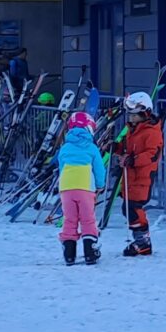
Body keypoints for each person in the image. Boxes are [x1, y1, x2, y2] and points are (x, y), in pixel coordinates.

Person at [114, 92, 163, 257]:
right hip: (130, 177)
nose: (131, 118)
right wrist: (116, 148)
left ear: (144, 113)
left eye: (134, 115)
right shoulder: (133, 130)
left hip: (142, 177)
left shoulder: (152, 132)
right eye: (130, 115)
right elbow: (127, 147)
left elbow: (152, 154)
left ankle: (143, 242)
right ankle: (140, 240)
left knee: (134, 209)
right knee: (128, 208)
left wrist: (133, 160)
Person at [55, 111, 107, 265]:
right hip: (85, 187)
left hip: (66, 188)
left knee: (70, 219)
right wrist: (100, 185)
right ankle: (90, 252)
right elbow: (99, 169)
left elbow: (61, 167)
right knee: (87, 219)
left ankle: (69, 253)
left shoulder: (64, 148)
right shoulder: (91, 148)